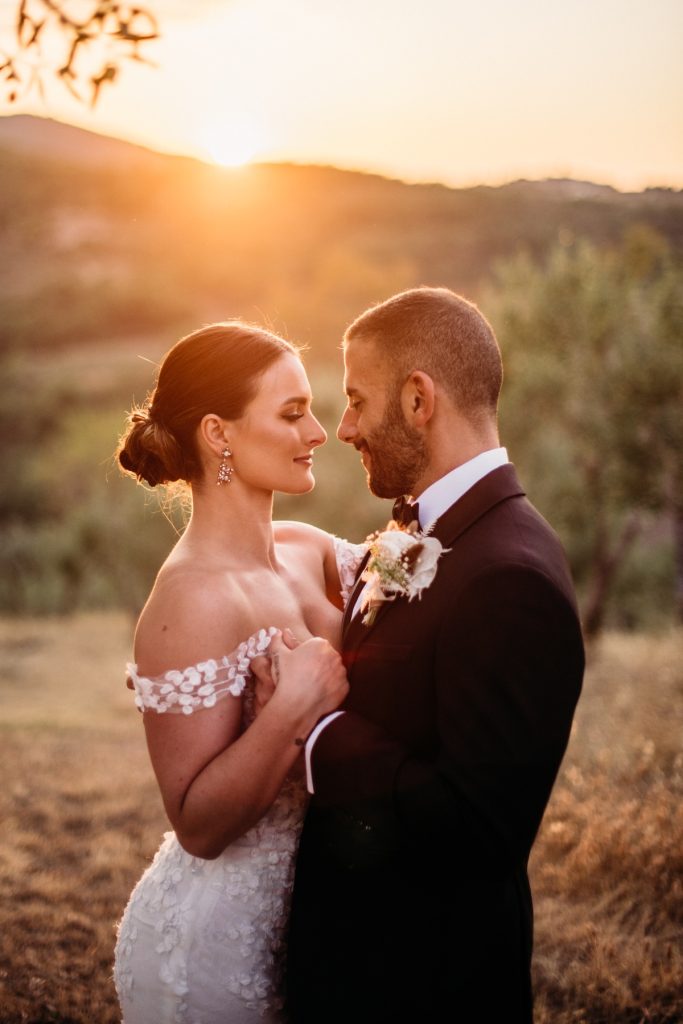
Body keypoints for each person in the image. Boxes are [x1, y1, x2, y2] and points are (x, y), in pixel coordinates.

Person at [283, 287, 585, 1023]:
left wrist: (314, 730)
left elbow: (479, 827)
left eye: (357, 400)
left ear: (418, 400)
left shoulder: (507, 575)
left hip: (424, 984)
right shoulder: (431, 534)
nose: (344, 428)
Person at [112, 321, 364, 1023]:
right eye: (291, 414)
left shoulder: (310, 551)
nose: (318, 432)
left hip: (317, 926)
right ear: (218, 434)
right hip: (217, 951)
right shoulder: (190, 598)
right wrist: (290, 711)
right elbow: (196, 826)